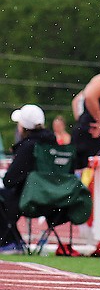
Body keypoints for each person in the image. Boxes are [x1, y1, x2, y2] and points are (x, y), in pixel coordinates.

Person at [0, 105, 56, 251]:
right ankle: (13, 239)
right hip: (55, 199)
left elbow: (9, 181)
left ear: (24, 127)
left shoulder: (28, 147)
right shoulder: (53, 144)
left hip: (29, 199)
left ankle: (9, 241)